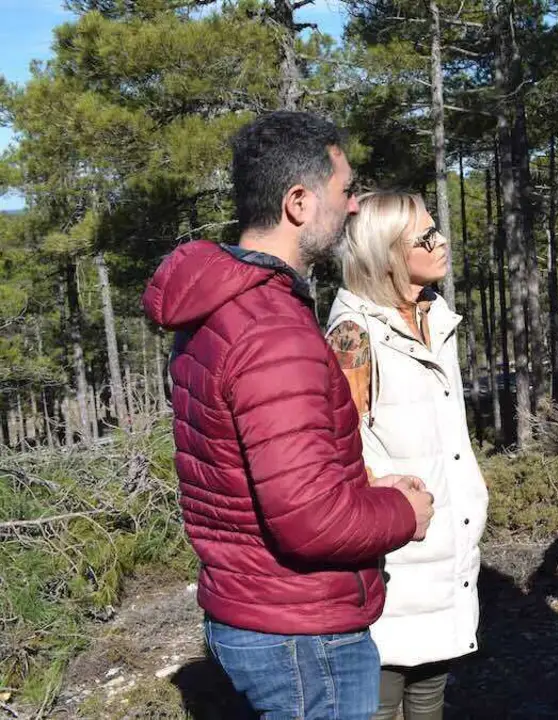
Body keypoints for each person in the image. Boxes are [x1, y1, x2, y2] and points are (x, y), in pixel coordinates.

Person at [141, 112, 435, 720]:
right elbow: (309, 520)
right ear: (298, 202)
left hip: (255, 610)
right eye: (345, 191)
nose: (353, 207)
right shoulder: (274, 331)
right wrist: (405, 511)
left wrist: (359, 484)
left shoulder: (224, 308)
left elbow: (252, 468)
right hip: (301, 634)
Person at [325, 191, 488, 720]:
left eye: (437, 230)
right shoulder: (354, 334)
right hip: (391, 558)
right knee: (381, 701)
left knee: (429, 695)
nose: (442, 242)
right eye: (425, 236)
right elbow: (338, 454)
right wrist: (393, 508)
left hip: (442, 551)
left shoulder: (433, 318)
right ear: (388, 253)